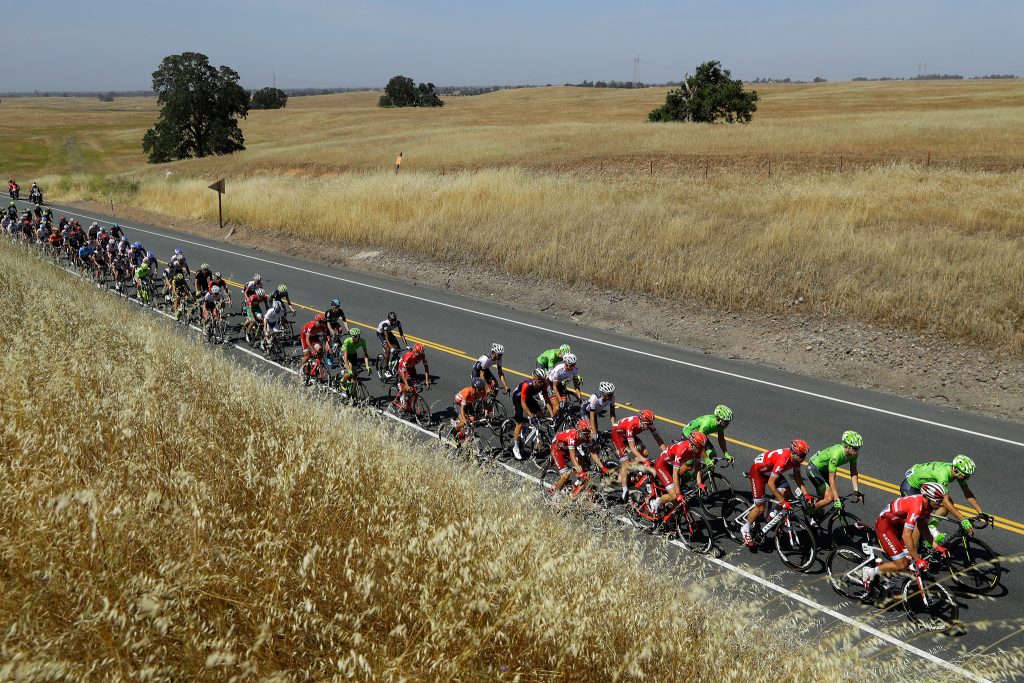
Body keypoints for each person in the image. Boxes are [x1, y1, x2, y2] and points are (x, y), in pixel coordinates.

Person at [862, 483, 959, 591]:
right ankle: (869, 572)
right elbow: (906, 535)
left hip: (898, 523)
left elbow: (923, 527)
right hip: (885, 526)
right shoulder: (917, 507)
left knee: (908, 558)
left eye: (941, 500)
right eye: (938, 501)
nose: (941, 505)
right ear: (927, 498)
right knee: (902, 564)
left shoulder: (929, 504)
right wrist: (918, 559)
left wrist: (937, 547)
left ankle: (890, 584)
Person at [740, 439, 813, 547]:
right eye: (801, 455)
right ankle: (745, 528)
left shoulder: (796, 459)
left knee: (789, 495)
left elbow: (797, 476)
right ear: (793, 452)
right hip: (758, 472)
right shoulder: (783, 460)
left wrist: (806, 494)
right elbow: (771, 484)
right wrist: (782, 502)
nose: (803, 459)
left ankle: (772, 515)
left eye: (804, 456)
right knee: (760, 508)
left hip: (771, 471)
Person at [901, 455, 982, 546]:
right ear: (956, 471)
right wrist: (962, 519)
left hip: (926, 487)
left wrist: (981, 512)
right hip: (911, 486)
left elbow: (967, 492)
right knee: (920, 520)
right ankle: (912, 556)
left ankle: (931, 528)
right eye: (966, 476)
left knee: (949, 503)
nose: (967, 478)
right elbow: (945, 501)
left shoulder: (956, 471)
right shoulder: (943, 475)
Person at [647, 432, 708, 517]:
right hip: (662, 465)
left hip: (672, 465)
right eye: (700, 447)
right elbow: (675, 473)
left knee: (677, 501)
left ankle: (670, 519)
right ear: (693, 444)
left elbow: (697, 467)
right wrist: (678, 494)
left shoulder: (697, 449)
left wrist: (699, 483)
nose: (701, 450)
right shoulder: (682, 449)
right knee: (675, 495)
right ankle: (655, 503)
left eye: (702, 447)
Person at [611, 409, 667, 501]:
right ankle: (625, 491)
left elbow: (658, 439)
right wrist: (644, 460)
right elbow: (632, 448)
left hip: (629, 435)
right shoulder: (631, 425)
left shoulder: (648, 423)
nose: (649, 426)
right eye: (647, 424)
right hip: (618, 435)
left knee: (645, 453)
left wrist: (666, 452)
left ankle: (634, 468)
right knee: (626, 464)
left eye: (650, 424)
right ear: (641, 421)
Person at [808, 431, 865, 512]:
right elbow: (832, 480)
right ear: (846, 446)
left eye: (858, 448)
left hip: (825, 470)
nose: (857, 451)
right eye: (855, 448)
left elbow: (853, 471)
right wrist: (836, 499)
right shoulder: (836, 455)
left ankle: (815, 509)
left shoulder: (853, 454)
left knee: (829, 497)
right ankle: (809, 512)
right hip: (814, 469)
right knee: (829, 498)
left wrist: (856, 490)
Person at [511, 369, 553, 460]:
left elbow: (547, 400)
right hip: (518, 398)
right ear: (535, 379)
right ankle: (516, 447)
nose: (541, 383)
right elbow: (523, 403)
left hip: (528, 397)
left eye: (543, 381)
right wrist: (531, 415)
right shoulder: (526, 385)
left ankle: (527, 428)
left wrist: (552, 415)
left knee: (540, 415)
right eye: (540, 381)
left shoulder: (544, 384)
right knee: (520, 423)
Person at [549, 419, 595, 495]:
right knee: (565, 476)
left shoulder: (585, 436)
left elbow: (593, 453)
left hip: (567, 447)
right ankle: (555, 497)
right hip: (557, 449)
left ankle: (578, 483)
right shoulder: (572, 437)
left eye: (588, 432)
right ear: (580, 432)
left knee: (585, 468)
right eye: (586, 433)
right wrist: (580, 472)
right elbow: (573, 457)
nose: (588, 435)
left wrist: (602, 467)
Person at [396, 343, 431, 410]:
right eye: (419, 354)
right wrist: (406, 384)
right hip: (402, 368)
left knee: (415, 384)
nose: (420, 355)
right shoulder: (408, 357)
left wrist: (427, 380)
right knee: (406, 385)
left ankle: (409, 401)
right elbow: (403, 373)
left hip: (411, 367)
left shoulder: (422, 355)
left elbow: (426, 367)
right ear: (415, 352)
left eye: (421, 353)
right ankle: (401, 396)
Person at [300, 314, 330, 381]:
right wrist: (312, 349)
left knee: (320, 350)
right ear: (316, 321)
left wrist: (328, 346)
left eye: (322, 322)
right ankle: (302, 371)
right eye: (320, 322)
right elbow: (307, 339)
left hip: (313, 336)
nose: (321, 324)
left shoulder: (323, 326)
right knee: (307, 355)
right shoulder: (312, 325)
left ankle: (317, 364)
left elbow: (326, 338)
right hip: (305, 337)